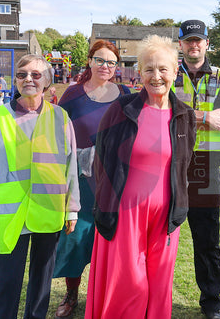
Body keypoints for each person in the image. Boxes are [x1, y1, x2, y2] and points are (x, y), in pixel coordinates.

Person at [84, 35, 196, 318]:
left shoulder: (184, 115)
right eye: (148, 69)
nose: (156, 76)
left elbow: (183, 164)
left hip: (165, 217)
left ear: (175, 72)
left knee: (158, 287)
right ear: (139, 73)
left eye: (162, 69)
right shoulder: (121, 109)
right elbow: (102, 162)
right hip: (125, 214)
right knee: (130, 286)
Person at [0, 54, 80, 319]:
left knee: (41, 284)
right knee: (8, 283)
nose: (28, 79)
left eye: (35, 74)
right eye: (22, 74)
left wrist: (72, 209)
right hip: (10, 217)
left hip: (48, 213)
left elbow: (70, 166)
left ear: (47, 80)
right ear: (15, 80)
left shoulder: (61, 117)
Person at [52, 40, 131, 318]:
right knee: (75, 240)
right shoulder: (73, 94)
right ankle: (71, 293)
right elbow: (54, 129)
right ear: (89, 60)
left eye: (111, 62)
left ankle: (106, 294)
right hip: (80, 180)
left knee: (110, 239)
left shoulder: (125, 93)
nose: (105, 66)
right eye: (100, 60)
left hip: (114, 180)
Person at [173, 19, 220, 319]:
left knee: (207, 244)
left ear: (207, 43)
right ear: (181, 44)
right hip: (170, 166)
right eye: (188, 40)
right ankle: (151, 297)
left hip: (207, 170)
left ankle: (211, 304)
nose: (193, 45)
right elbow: (161, 113)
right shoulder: (167, 73)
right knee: (159, 239)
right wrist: (204, 116)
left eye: (198, 40)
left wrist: (185, 116)